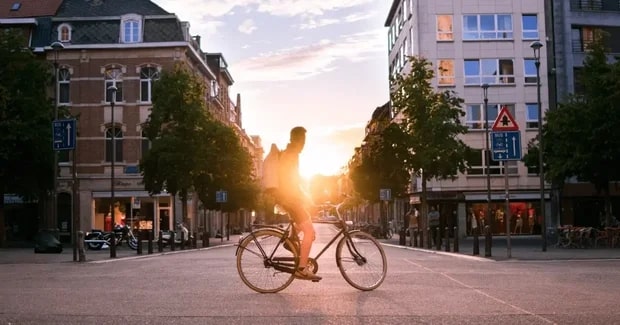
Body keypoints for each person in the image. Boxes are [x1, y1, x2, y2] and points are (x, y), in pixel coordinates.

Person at [275, 126, 321, 281]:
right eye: (301, 140)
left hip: (290, 198)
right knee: (309, 231)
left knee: (308, 230)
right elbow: (290, 180)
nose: (303, 144)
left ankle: (290, 241)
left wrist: (306, 196)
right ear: (294, 139)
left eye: (304, 141)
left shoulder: (290, 154)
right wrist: (305, 197)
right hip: (290, 199)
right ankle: (301, 268)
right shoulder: (291, 154)